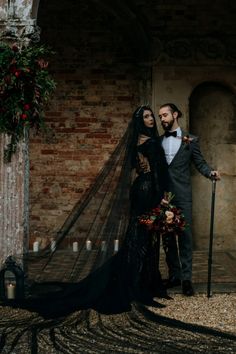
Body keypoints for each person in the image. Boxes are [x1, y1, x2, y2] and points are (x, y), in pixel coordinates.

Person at [7, 105, 169, 318]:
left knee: (136, 235)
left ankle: (134, 279)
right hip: (149, 190)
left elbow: (132, 168)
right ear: (141, 120)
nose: (151, 120)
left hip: (138, 189)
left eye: (152, 117)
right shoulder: (153, 142)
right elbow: (159, 173)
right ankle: (139, 283)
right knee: (146, 237)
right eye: (147, 116)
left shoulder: (135, 142)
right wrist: (163, 199)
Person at [158, 103, 220, 296]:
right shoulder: (158, 141)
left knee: (185, 237)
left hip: (183, 195)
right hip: (163, 196)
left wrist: (210, 172)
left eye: (165, 115)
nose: (162, 119)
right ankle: (174, 275)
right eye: (160, 117)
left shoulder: (190, 140)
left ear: (175, 115)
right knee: (167, 237)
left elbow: (199, 162)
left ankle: (186, 279)